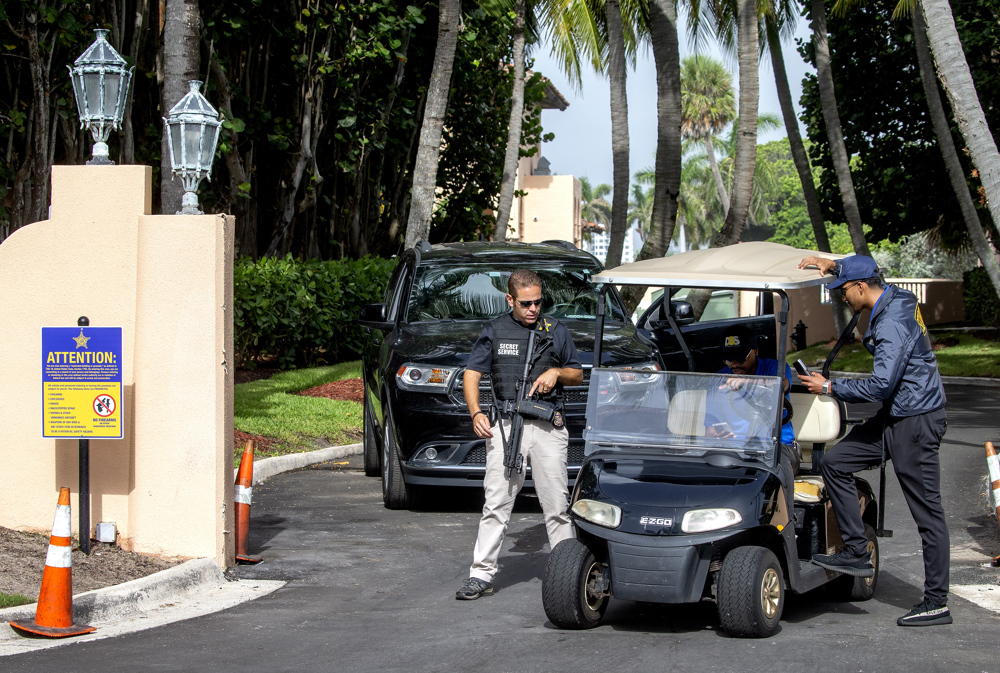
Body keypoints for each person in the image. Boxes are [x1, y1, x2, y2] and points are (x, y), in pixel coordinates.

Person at [797, 254, 950, 627]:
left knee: (927, 513)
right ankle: (855, 550)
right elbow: (862, 266)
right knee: (837, 461)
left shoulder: (894, 321)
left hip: (915, 422)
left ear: (862, 288)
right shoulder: (891, 296)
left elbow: (882, 384)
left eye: (844, 290)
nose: (842, 297)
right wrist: (830, 264)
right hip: (896, 416)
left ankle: (936, 602)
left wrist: (829, 386)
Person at [456, 269, 583, 600]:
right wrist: (476, 413)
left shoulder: (555, 330)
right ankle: (481, 574)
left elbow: (577, 373)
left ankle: (566, 572)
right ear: (510, 299)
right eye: (526, 303)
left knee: (556, 504)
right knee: (497, 502)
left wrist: (556, 373)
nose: (533, 309)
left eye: (538, 302)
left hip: (546, 426)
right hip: (507, 426)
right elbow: (472, 374)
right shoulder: (496, 330)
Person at [709, 326, 799, 511]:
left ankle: (787, 520)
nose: (734, 365)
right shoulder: (719, 378)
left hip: (777, 445)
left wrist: (746, 383)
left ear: (755, 351)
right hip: (735, 447)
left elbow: (780, 384)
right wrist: (717, 432)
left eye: (741, 358)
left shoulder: (774, 368)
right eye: (728, 359)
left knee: (775, 468)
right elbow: (709, 422)